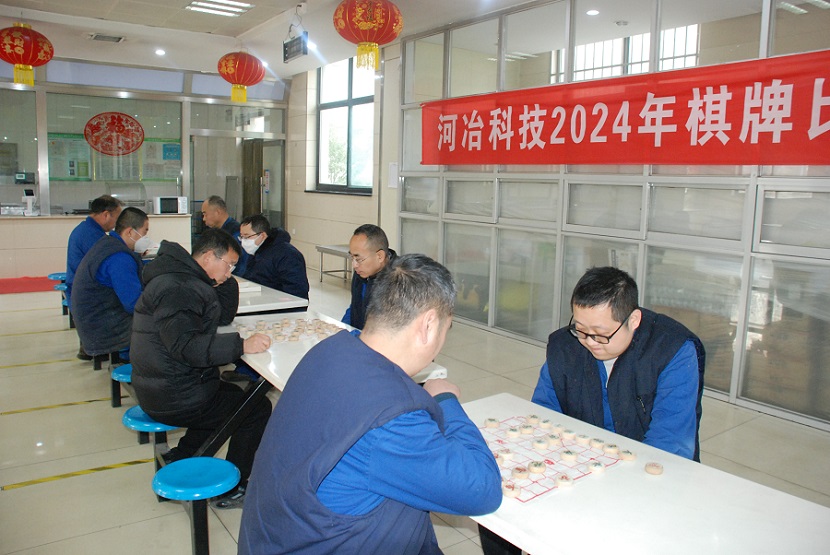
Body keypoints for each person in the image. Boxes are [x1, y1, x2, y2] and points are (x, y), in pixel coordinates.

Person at [238, 254, 502, 555]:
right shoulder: (391, 417)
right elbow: (483, 491)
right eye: (447, 328)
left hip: (275, 537)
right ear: (429, 324)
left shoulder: (328, 350)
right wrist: (446, 400)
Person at [479, 266, 706, 555]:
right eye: (581, 329)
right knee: (498, 499)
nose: (588, 342)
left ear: (633, 320)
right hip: (583, 466)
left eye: (601, 334)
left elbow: (669, 446)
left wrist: (611, 488)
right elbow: (543, 416)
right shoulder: (566, 345)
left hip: (643, 479)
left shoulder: (672, 350)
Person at [130, 228, 273, 509]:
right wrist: (242, 345)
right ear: (208, 257)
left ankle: (182, 456)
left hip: (164, 385)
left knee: (231, 397)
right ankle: (235, 487)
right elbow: (187, 347)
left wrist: (223, 281)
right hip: (172, 395)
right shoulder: (180, 288)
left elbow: (217, 319)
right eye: (229, 264)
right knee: (255, 408)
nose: (230, 272)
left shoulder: (179, 278)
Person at [70, 207, 150, 360]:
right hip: (103, 327)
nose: (146, 237)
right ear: (130, 232)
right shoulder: (119, 258)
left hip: (93, 319)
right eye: (144, 232)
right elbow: (134, 304)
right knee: (160, 323)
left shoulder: (108, 244)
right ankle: (131, 361)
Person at [65, 195, 123, 360]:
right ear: (106, 215)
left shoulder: (86, 230)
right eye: (117, 218)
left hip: (80, 291)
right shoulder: (91, 236)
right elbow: (109, 263)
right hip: (86, 297)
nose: (117, 223)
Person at [240, 214, 309, 300]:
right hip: (260, 301)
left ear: (262, 235)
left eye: (247, 237)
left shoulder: (287, 255)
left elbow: (297, 290)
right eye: (241, 237)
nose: (243, 241)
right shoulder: (256, 251)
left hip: (280, 305)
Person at [342, 224, 397, 330]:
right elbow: (355, 307)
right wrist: (343, 329)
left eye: (358, 259)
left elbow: (389, 330)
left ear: (380, 256)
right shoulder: (362, 272)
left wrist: (357, 336)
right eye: (352, 257)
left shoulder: (398, 282)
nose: (354, 265)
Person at [200, 195, 247, 274]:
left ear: (217, 212)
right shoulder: (215, 233)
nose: (204, 219)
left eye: (205, 214)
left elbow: (239, 264)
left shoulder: (235, 233)